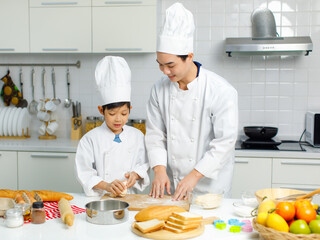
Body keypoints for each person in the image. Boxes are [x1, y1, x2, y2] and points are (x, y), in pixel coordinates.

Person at [146, 3, 238, 201]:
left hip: (209, 187)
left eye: (170, 65)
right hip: (172, 185)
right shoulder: (158, 89)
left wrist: (195, 175)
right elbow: (154, 134)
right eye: (160, 65)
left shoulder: (220, 91)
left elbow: (225, 142)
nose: (165, 72)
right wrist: (159, 170)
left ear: (189, 57)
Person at [75, 56, 150, 197]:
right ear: (101, 110)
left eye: (124, 113)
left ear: (130, 109)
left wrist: (136, 174)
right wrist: (107, 186)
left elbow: (144, 164)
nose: (118, 119)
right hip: (100, 198)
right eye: (112, 113)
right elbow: (84, 173)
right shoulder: (90, 139)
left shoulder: (137, 136)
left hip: (130, 198)